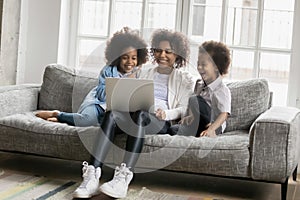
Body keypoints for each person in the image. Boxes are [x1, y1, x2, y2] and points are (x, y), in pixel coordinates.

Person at [73, 28, 196, 199]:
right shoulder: (144, 71)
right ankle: (92, 176)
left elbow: (183, 108)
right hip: (136, 114)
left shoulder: (185, 79)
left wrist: (165, 114)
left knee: (141, 115)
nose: (162, 55)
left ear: (177, 54)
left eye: (168, 52)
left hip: (160, 121)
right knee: (112, 114)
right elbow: (129, 92)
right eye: (158, 50)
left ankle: (123, 178)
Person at [35, 27, 148, 127]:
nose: (129, 62)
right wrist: (123, 83)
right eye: (125, 57)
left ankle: (67, 120)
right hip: (98, 103)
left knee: (110, 122)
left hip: (116, 112)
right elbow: (101, 95)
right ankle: (58, 114)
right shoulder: (108, 70)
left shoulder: (139, 74)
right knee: (87, 121)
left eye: (133, 58)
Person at [171, 40, 231, 137]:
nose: (199, 67)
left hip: (214, 126)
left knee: (194, 99)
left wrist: (211, 129)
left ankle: (207, 131)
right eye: (198, 64)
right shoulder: (198, 84)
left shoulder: (222, 90)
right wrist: (190, 117)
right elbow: (195, 109)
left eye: (203, 65)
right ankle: (198, 133)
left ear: (216, 67)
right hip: (198, 124)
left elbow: (224, 114)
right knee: (173, 130)